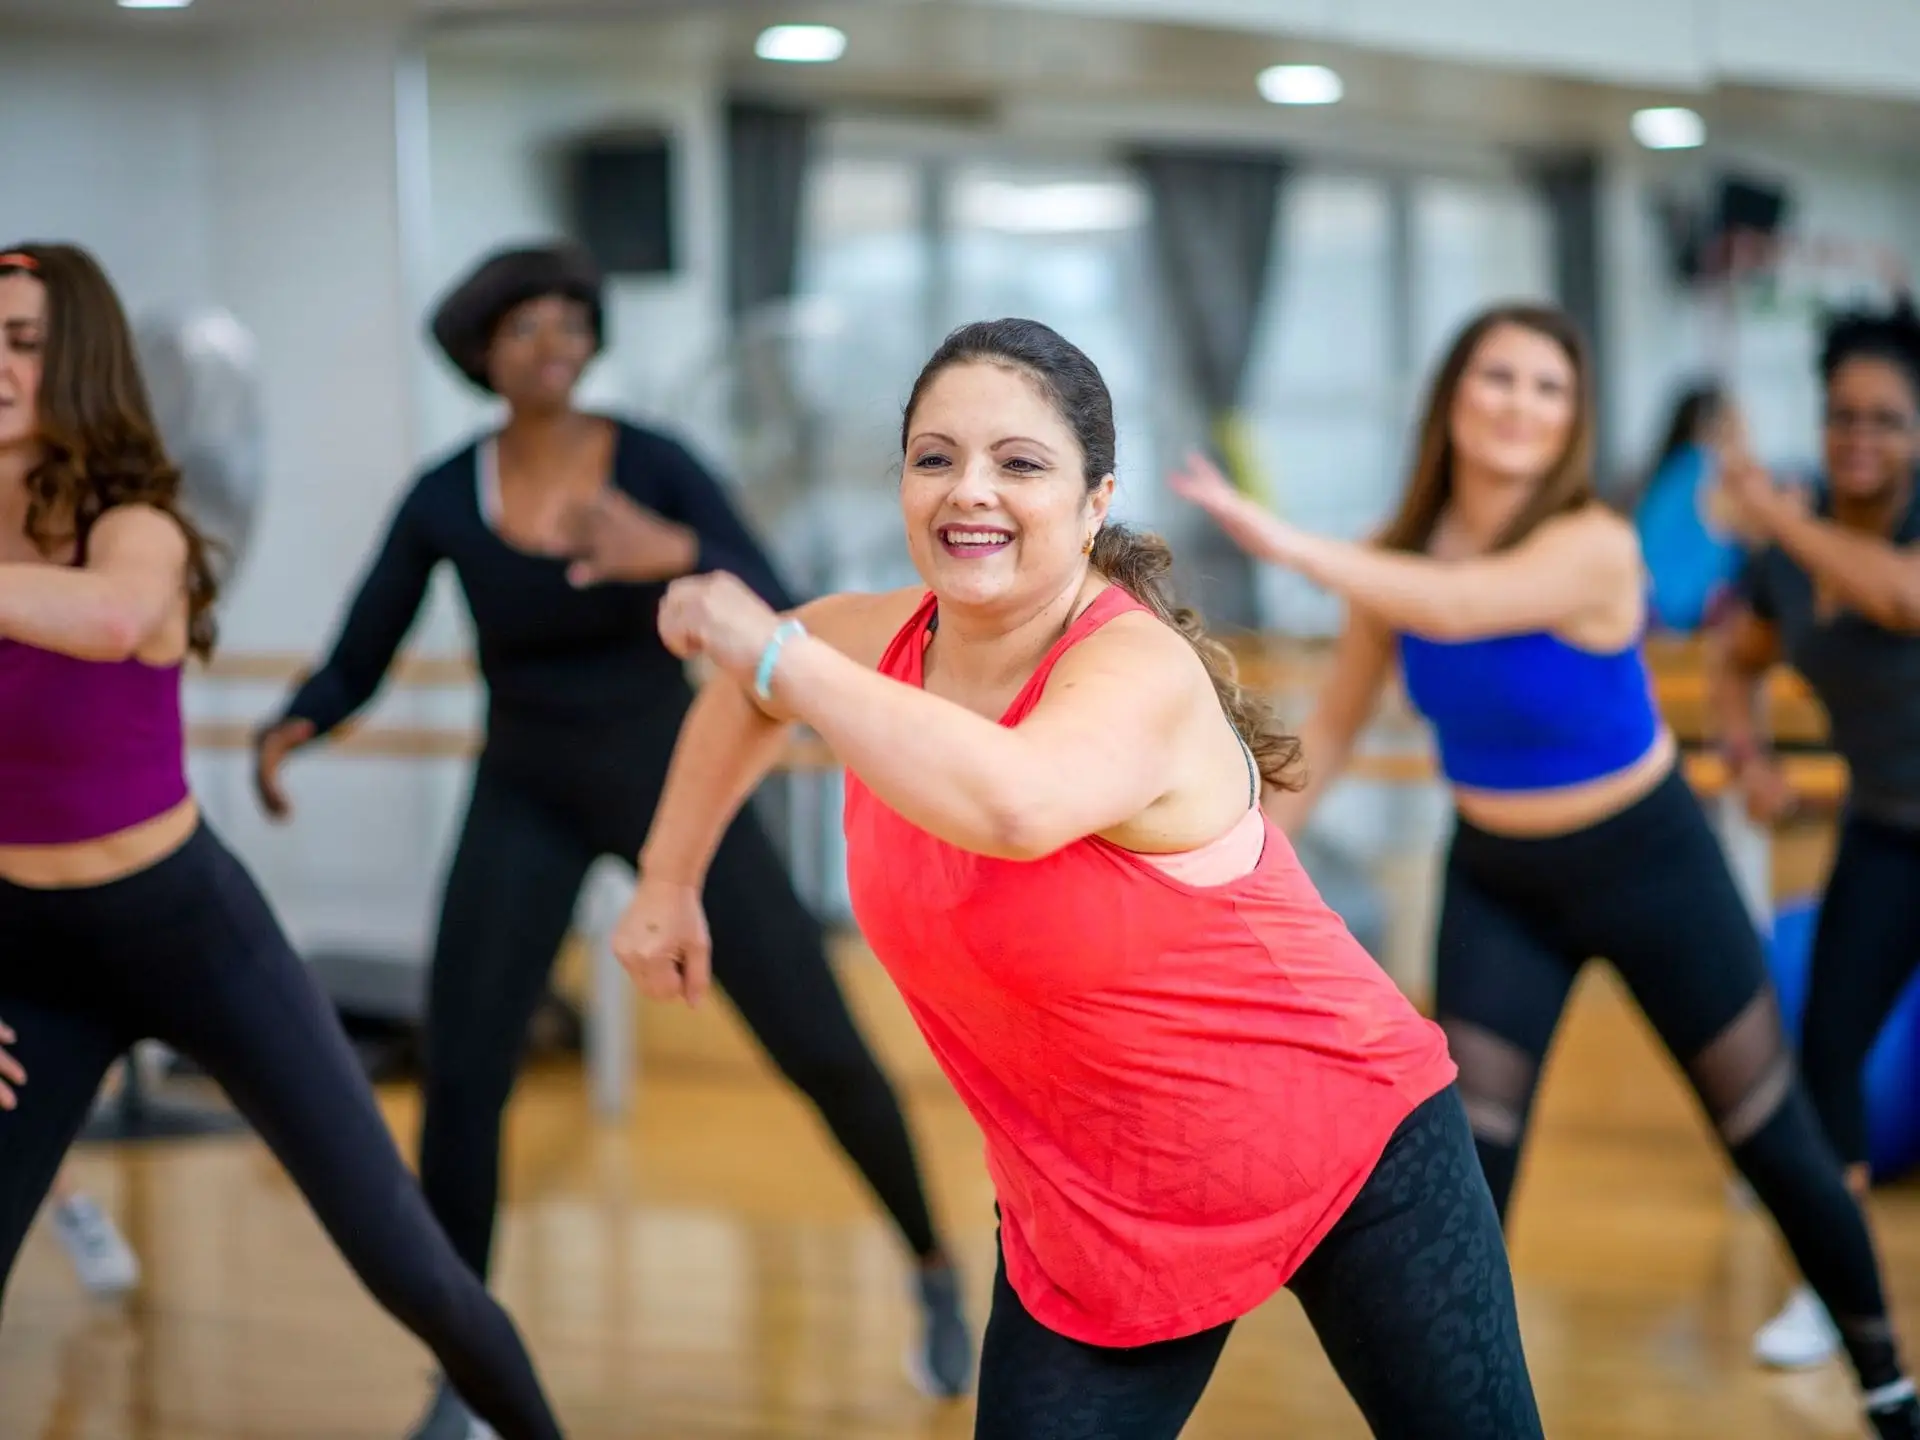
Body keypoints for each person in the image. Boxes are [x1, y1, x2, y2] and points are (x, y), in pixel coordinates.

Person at [611, 316, 1546, 1439]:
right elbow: (750, 695)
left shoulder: (1132, 667)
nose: (971, 493)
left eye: (1021, 464)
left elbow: (1016, 801)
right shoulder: (876, 645)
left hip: (1349, 1146)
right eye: (935, 458)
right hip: (1096, 1211)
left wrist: (777, 652)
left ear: (1096, 501)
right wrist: (669, 878)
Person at [252, 243, 969, 1438]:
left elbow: (779, 591)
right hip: (523, 790)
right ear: (484, 354)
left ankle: (933, 1267)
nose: (555, 345)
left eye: (572, 322)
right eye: (527, 327)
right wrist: (299, 724)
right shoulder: (445, 493)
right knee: (467, 1076)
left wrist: (674, 555)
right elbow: (364, 642)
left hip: (673, 781)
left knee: (817, 1041)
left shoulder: (656, 464)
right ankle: (464, 1367)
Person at [1171, 301, 1920, 1439]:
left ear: (1572, 420)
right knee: (1466, 1175)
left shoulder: (1594, 546)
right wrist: (1224, 867)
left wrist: (1298, 548)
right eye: (1497, 378)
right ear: (1454, 399)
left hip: (1650, 861)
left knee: (1772, 1134)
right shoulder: (1395, 559)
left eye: (1548, 388)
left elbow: (1464, 605)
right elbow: (1322, 736)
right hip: (1499, 886)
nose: (1520, 405)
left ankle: (1888, 1385)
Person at [0, 242, 565, 1439]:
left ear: (80, 363)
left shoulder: (134, 522)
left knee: (414, 1273)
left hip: (188, 933)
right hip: (27, 963)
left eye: (22, 341)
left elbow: (107, 619)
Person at [1710, 298, 1920, 1370]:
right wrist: (1750, 759)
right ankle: (1836, 1297)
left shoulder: (1828, 533)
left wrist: (1769, 511)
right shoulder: (1787, 560)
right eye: (1843, 416)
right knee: (1826, 1056)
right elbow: (1733, 661)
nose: (1860, 438)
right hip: (1890, 837)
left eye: (1886, 419)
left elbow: (1899, 594)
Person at [1633, 381, 1754, 632]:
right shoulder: (1711, 472)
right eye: (1737, 424)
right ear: (1715, 428)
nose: (1746, 434)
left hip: (1649, 617)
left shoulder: (1664, 473)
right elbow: (1760, 537)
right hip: (1690, 621)